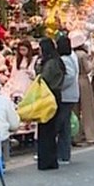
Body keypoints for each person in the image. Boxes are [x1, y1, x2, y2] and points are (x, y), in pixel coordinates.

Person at [35, 37, 65, 170]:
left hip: (48, 95)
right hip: (55, 95)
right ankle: (51, 159)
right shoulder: (57, 61)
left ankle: (46, 160)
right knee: (51, 129)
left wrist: (37, 66)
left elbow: (43, 78)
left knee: (45, 128)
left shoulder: (50, 63)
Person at [55, 34, 79, 163]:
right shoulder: (71, 57)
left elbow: (69, 76)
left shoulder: (65, 59)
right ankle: (64, 154)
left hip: (66, 96)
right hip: (70, 95)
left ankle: (63, 154)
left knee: (62, 125)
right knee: (65, 125)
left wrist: (59, 86)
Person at [73, 36, 94, 147]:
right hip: (83, 80)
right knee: (88, 109)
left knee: (75, 110)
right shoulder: (83, 55)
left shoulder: (72, 55)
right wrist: (93, 60)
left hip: (74, 82)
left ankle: (76, 135)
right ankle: (91, 135)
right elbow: (88, 68)